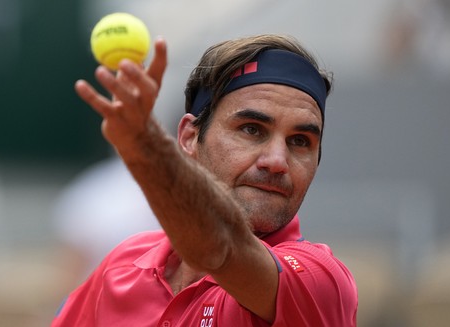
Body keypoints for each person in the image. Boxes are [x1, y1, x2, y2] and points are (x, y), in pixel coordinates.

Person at [52, 33, 358, 326]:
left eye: (300, 141)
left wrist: (145, 146)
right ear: (189, 138)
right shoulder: (121, 266)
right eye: (252, 129)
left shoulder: (321, 282)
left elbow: (218, 248)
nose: (278, 161)